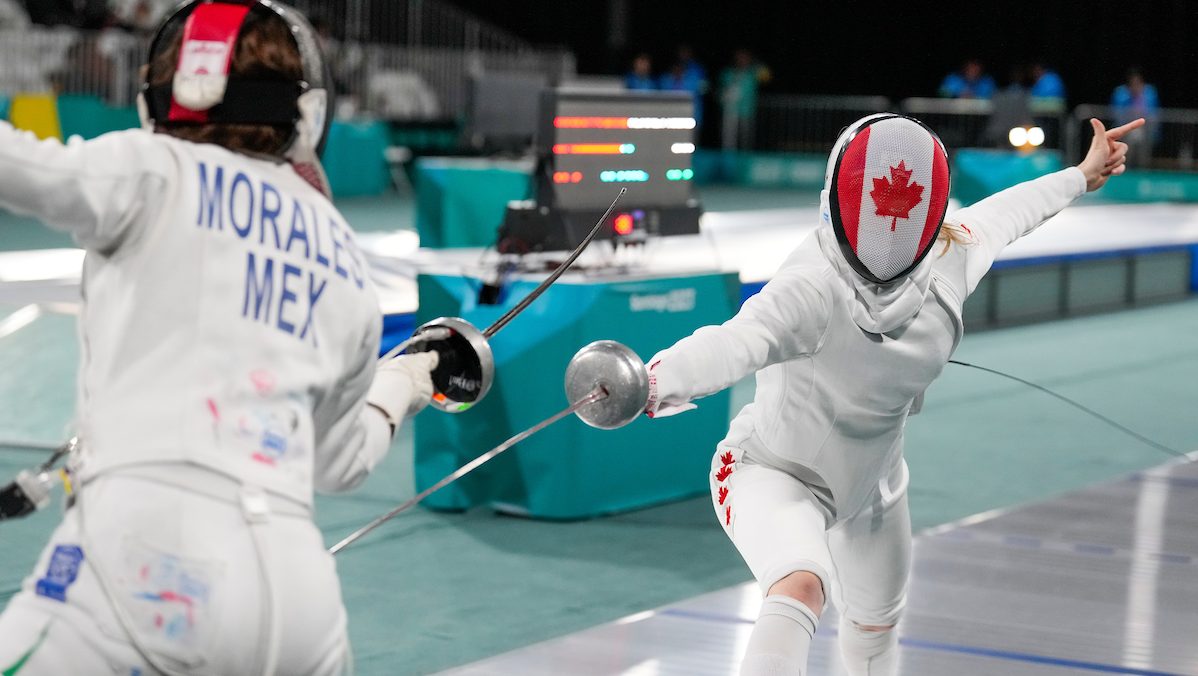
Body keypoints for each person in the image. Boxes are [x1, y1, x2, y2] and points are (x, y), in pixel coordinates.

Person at [0, 1, 438, 674]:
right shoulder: (343, 254)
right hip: (301, 603)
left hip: (146, 561)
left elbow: (25, 169)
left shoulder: (155, 170)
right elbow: (340, 463)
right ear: (305, 109)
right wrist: (407, 382)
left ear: (168, 92)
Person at [641, 112, 1143, 676]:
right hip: (771, 471)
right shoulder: (809, 287)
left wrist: (1081, 173)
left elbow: (1013, 210)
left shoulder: (952, 257)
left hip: (873, 485)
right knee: (801, 585)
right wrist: (654, 380)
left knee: (876, 627)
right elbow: (732, 344)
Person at [720, 48, 770, 150]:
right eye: (740, 57)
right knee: (728, 140)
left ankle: (744, 160)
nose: (742, 60)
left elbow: (767, 77)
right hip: (730, 111)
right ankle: (728, 159)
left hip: (746, 111)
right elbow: (720, 90)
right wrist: (723, 97)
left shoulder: (753, 73)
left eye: (745, 57)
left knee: (746, 140)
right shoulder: (728, 73)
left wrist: (756, 63)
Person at [1112, 68, 1159, 168]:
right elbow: (1118, 115)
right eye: (1133, 83)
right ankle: (1126, 168)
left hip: (1145, 130)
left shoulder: (1149, 93)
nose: (1135, 86)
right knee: (1128, 149)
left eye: (1138, 83)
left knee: (1143, 152)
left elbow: (1152, 115)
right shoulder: (1122, 94)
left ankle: (1142, 169)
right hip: (1127, 130)